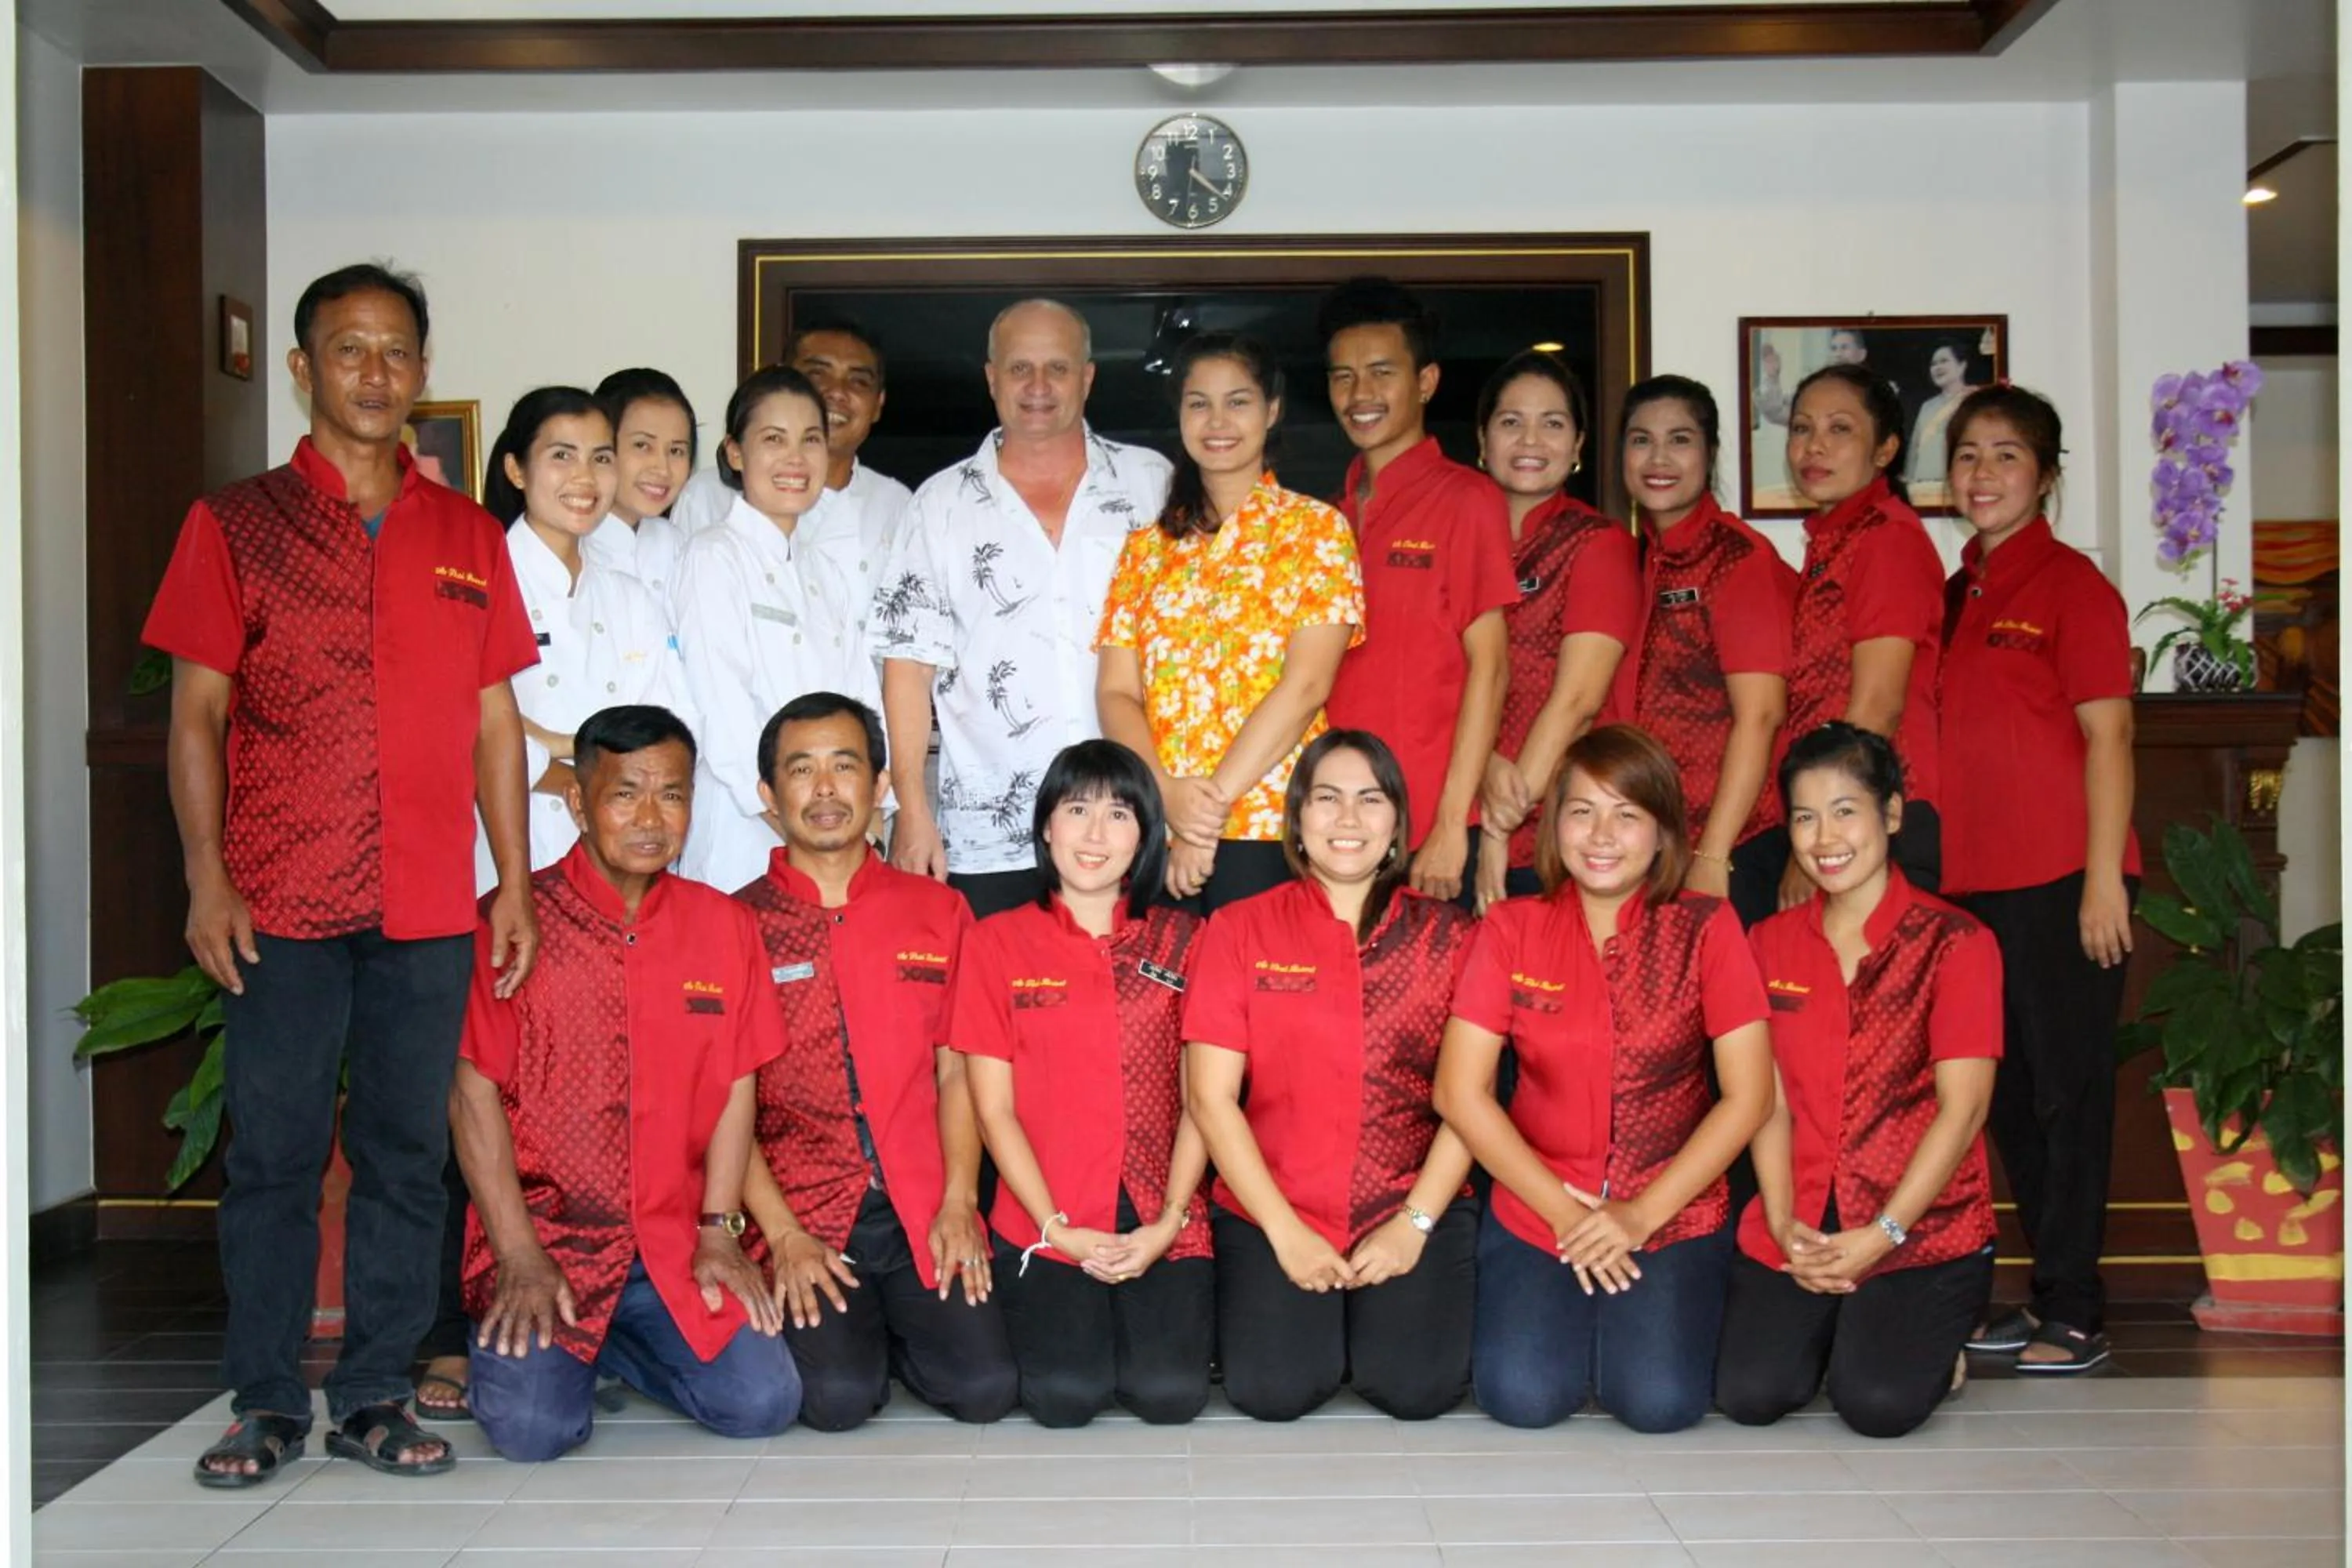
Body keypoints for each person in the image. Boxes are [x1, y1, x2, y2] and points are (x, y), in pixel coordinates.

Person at [145, 263, 539, 1486]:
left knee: (405, 1154)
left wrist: (513, 885)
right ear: (305, 370)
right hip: (279, 902)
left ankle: (373, 1392)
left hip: (425, 900)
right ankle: (265, 1400)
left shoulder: (469, 537)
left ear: (424, 372)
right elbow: (196, 719)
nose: (376, 373)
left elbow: (495, 727)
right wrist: (209, 879)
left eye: (397, 352)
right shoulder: (233, 524)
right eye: (349, 351)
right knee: (269, 1156)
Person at [417, 387, 695, 1423]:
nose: (586, 479)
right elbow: (479, 725)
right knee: (476, 1081)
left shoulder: (627, 586)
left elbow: (657, 735)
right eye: (562, 458)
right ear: (517, 472)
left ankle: (616, 1319)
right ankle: (450, 1335)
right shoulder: (479, 575)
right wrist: (589, 780)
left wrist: (607, 786)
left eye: (599, 459)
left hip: (612, 882)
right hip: (504, 874)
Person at [452, 706, 797, 1460]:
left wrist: (719, 1231)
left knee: (763, 1403)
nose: (651, 817)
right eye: (625, 793)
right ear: (578, 802)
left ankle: (612, 1346)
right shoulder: (513, 923)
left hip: (675, 1244)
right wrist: (516, 1253)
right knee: (534, 1435)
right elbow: (472, 1093)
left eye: (672, 795)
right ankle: (553, 1353)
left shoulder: (724, 926)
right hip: (551, 1244)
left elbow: (738, 1082)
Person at [1436, 725, 1772, 1431]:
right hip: (1539, 1204)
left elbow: (1749, 1099)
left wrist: (1639, 1215)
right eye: (1582, 810)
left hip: (1671, 1208)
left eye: (1628, 814)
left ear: (1662, 832)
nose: (1602, 834)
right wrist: (1569, 1216)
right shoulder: (1510, 928)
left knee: (1661, 1404)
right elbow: (1459, 1093)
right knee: (1522, 1397)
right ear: (1554, 825)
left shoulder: (1707, 928)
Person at [735, 693, 1019, 1429]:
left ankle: (898, 1325)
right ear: (768, 796)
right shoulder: (734, 925)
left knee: (985, 1389)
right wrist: (781, 1234)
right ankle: (860, 1338)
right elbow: (719, 1105)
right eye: (802, 771)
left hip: (921, 1205)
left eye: (845, 766)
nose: (825, 790)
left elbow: (957, 1070)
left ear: (882, 785)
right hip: (807, 1213)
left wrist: (960, 1201)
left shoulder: (939, 911)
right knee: (836, 1403)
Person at [1715, 723, 2003, 1439]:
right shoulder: (1767, 943)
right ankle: (1846, 1326)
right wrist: (1783, 1223)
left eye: (1846, 810)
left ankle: (1933, 1341)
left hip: (1919, 1227)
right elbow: (1769, 1102)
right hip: (1806, 1220)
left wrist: (1883, 1234)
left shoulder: (1958, 942)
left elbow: (1962, 1114)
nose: (1824, 838)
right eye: (1805, 817)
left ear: (1893, 815)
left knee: (1877, 1404)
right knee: (1751, 1394)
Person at [1183, 731, 1479, 1421]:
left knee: (1417, 1390)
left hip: (1409, 1197)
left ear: (1399, 823)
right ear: (1297, 820)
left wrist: (1414, 1223)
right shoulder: (1239, 928)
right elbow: (1210, 1097)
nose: (1348, 820)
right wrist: (1285, 1233)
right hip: (1273, 1203)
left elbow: (1472, 1101)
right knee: (1273, 1391)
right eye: (1327, 799)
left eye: (1370, 800)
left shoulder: (1452, 936)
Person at [1940, 386, 2139, 1375]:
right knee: (2005, 1095)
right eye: (1968, 455)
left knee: (2069, 1093)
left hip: (2064, 879)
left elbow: (2110, 736)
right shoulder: (1958, 588)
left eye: (2006, 455)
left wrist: (2103, 878)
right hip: (1973, 888)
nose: (1983, 473)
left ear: (2048, 474)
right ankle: (2040, 1285)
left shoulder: (2072, 586)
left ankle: (2077, 1308)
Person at [873, 299, 1172, 916]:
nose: (1038, 387)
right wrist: (912, 810)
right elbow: (909, 664)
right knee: (1002, 1006)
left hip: (1136, 823)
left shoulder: (1153, 485)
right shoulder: (941, 503)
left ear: (1088, 378)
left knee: (1137, 1009)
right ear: (991, 378)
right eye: (1019, 369)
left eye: (1058, 369)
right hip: (992, 835)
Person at [949, 739, 1214, 1427]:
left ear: (1147, 834)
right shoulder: (995, 943)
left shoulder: (1187, 942)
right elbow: (993, 1110)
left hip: (1161, 1210)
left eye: (1120, 815)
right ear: (1046, 825)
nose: (1096, 835)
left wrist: (1168, 1223)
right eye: (1077, 810)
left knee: (1171, 1395)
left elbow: (1203, 1102)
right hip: (1047, 1215)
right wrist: (1054, 1230)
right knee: (1066, 1398)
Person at [1097, 332, 1363, 909]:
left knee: (1264, 994)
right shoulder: (1147, 549)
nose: (1217, 421)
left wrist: (1206, 813)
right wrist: (1169, 798)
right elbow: (1117, 691)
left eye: (1238, 401)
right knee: (1162, 995)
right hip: (1157, 827)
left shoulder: (1315, 531)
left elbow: (1307, 686)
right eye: (1199, 403)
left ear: (1272, 410)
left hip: (1268, 825)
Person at [1317, 277, 1516, 906]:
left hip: (1430, 831)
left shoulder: (1467, 499)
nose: (1361, 395)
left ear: (1425, 382)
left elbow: (1492, 667)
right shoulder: (1325, 517)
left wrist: (1453, 826)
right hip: (1339, 832)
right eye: (1343, 377)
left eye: (1381, 372)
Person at [673, 365, 878, 893]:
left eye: (811, 440)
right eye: (773, 439)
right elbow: (720, 706)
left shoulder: (823, 570)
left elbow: (861, 699)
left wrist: (873, 807)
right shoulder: (712, 555)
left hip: (835, 833)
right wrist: (794, 819)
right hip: (749, 831)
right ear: (736, 453)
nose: (796, 458)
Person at [1616, 376, 1797, 926]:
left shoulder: (1736, 559)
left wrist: (1713, 854)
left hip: (1735, 848)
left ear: (1710, 452)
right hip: (1658, 845)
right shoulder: (1640, 558)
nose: (1659, 457)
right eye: (1641, 439)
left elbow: (1762, 714)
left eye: (1680, 439)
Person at [1472, 350, 1639, 909]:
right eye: (1511, 422)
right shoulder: (1459, 542)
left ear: (1578, 446)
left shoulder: (1598, 544)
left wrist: (1499, 827)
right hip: (1459, 811)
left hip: (1559, 829)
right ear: (1483, 439)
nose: (1530, 441)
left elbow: (1577, 702)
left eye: (1553, 424)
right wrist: (1486, 765)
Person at [1780, 363, 1947, 902]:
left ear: (1885, 449)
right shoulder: (1836, 539)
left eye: (1839, 429)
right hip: (1844, 813)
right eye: (1802, 428)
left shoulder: (1885, 540)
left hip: (1877, 816)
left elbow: (1877, 707)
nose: (1814, 446)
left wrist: (1818, 838)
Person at [792, 317, 916, 652]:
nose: (836, 392)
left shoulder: (898, 505)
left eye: (859, 382)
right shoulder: (713, 495)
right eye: (817, 374)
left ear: (878, 405)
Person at [584, 368, 697, 606]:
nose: (662, 469)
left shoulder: (677, 544)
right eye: (642, 445)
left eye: (676, 451)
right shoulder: (573, 547)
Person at [1905, 340, 1984, 492]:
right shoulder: (1927, 406)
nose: (1937, 367)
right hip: (1924, 484)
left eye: (1944, 361)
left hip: (1959, 484)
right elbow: (1915, 449)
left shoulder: (1976, 400)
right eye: (1933, 364)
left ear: (1962, 366)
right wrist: (1910, 480)